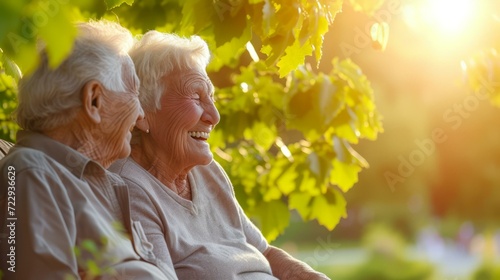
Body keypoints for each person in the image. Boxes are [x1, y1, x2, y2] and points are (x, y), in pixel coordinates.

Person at [109, 31, 330, 279]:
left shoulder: (207, 171)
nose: (214, 116)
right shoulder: (129, 190)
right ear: (142, 113)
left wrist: (310, 275)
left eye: (211, 97)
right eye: (195, 96)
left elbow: (263, 251)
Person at [0, 21, 176, 279]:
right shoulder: (32, 172)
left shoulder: (101, 182)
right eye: (134, 94)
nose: (140, 115)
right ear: (93, 100)